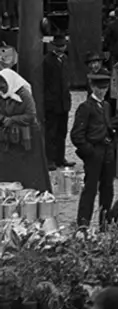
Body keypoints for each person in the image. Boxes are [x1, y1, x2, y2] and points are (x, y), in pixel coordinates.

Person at [0, 43, 49, 192]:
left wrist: (12, 120)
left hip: (28, 137)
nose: (1, 86)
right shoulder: (1, 95)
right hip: (9, 138)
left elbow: (30, 115)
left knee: (30, 171)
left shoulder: (23, 93)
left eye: (3, 83)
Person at [71, 71, 117, 229]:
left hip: (107, 153)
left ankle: (105, 223)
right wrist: (89, 151)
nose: (102, 91)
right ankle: (83, 224)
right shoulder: (85, 108)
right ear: (92, 87)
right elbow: (76, 135)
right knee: (90, 189)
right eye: (99, 88)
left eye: (105, 88)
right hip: (94, 153)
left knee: (107, 189)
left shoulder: (106, 106)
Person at [42, 34, 71, 170]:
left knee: (62, 131)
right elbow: (45, 82)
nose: (61, 48)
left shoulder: (65, 59)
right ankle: (50, 159)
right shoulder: (47, 61)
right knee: (51, 132)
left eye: (63, 45)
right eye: (58, 46)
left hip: (63, 102)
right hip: (52, 102)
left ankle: (60, 157)